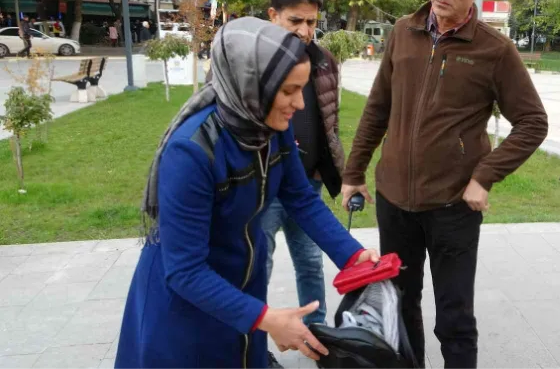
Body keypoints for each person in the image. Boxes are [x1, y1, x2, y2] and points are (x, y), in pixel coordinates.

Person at [115, 18, 380, 369]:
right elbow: (184, 271)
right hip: (184, 308)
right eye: (288, 91)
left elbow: (300, 198)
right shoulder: (191, 151)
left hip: (243, 290)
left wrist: (352, 256)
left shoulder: (270, 128)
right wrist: (267, 319)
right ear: (253, 85)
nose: (300, 104)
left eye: (302, 89)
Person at [340, 0, 549, 368]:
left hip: (454, 206)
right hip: (394, 199)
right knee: (401, 303)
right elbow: (377, 108)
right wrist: (354, 173)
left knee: (454, 316)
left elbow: (533, 122)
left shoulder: (494, 50)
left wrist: (484, 175)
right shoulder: (402, 32)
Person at [256, 0, 345, 369]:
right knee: (257, 265)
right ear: (273, 15)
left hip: (304, 185)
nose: (306, 31)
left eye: (312, 22)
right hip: (261, 188)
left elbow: (329, 124)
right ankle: (254, 348)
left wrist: (342, 176)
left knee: (310, 262)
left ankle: (317, 336)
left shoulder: (324, 61)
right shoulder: (250, 62)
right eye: (296, 21)